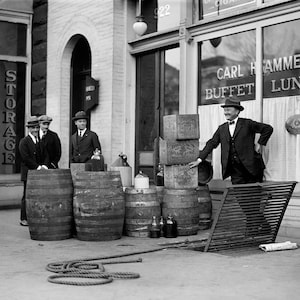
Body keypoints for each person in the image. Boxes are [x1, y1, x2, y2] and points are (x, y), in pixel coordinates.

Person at [189, 98, 273, 235]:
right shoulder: (222, 128)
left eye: (229, 108)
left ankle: (252, 229)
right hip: (235, 171)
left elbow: (268, 129)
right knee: (243, 201)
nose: (226, 111)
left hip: (252, 169)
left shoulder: (247, 124)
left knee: (253, 200)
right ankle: (263, 226)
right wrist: (199, 159)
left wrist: (260, 143)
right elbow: (211, 143)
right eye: (225, 109)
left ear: (237, 111)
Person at [19, 116, 49, 226]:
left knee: (37, 195)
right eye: (33, 128)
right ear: (29, 129)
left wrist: (45, 166)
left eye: (36, 127)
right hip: (28, 173)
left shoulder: (40, 141)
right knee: (26, 196)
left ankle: (34, 217)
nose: (35, 130)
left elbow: (46, 155)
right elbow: (26, 158)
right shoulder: (24, 142)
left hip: (39, 173)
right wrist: (37, 167)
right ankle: (24, 218)